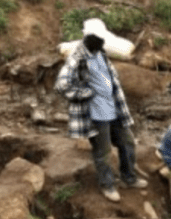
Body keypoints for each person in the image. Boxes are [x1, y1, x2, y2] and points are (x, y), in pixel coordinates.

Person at [55, 18, 146, 203]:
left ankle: (129, 178)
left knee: (127, 142)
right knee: (103, 151)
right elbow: (62, 84)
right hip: (96, 115)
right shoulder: (77, 57)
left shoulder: (100, 52)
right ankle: (107, 185)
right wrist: (85, 93)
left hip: (114, 109)